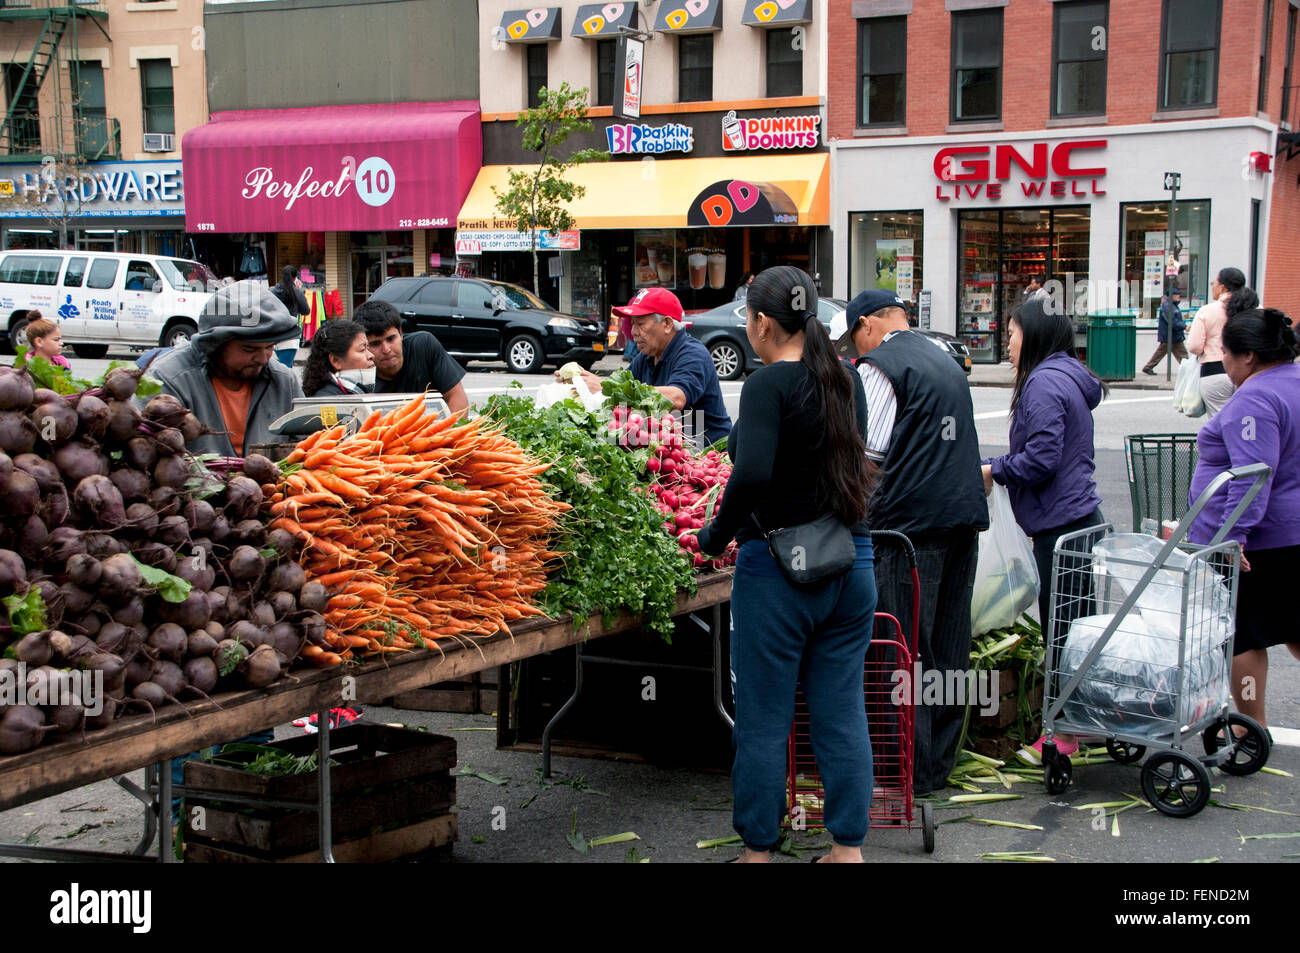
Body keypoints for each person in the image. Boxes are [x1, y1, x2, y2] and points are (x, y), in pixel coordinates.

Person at [696, 266, 876, 863]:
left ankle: (757, 853)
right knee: (842, 709)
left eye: (748, 318)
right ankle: (847, 850)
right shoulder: (844, 379)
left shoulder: (768, 385)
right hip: (852, 562)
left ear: (763, 323)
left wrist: (714, 534)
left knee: (766, 718)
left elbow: (751, 475)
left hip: (778, 570)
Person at [830, 289, 989, 795]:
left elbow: (870, 456)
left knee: (901, 651)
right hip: (961, 523)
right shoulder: (943, 358)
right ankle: (936, 765)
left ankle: (903, 770)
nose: (854, 353)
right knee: (947, 649)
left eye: (853, 340)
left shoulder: (878, 366)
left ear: (867, 326)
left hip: (906, 534)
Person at [979, 299, 1108, 767]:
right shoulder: (1067, 376)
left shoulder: (1043, 383)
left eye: (1010, 335)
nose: (1007, 346)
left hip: (1063, 523)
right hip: (1077, 519)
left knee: (1065, 630)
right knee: (1076, 627)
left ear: (1031, 335)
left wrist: (995, 469)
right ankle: (1080, 722)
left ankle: (1065, 733)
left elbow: (1041, 458)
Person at [1187, 307, 1300, 736]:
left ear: (1248, 356)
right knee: (1294, 623)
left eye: (1227, 356)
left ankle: (1251, 727)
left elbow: (1253, 476)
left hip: (1261, 541)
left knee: (1245, 635)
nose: (1225, 365)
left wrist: (1233, 537)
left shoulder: (1255, 397)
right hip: (1292, 531)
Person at [148, 281, 303, 457]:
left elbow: (308, 446)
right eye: (249, 349)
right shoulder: (168, 379)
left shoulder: (284, 381)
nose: (262, 358)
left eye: (269, 347)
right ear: (216, 345)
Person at [562, 288, 732, 445]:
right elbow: (624, 388)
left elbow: (676, 398)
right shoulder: (646, 357)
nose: (633, 331)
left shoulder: (693, 353)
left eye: (640, 324)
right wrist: (587, 383)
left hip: (707, 452)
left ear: (666, 324)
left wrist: (608, 388)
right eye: (632, 323)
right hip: (669, 448)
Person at [354, 299, 469, 415]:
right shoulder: (357, 369)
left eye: (391, 339)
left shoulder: (424, 345)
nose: (386, 349)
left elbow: (456, 396)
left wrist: (449, 431)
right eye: (375, 344)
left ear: (400, 332)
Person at [1188, 267, 1257, 417]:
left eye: (1214, 282)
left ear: (1222, 287)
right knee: (1248, 420)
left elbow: (1194, 346)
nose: (1212, 286)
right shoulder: (1255, 309)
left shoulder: (1207, 311)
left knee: (1220, 422)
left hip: (1214, 372)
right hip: (1250, 371)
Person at [301, 319, 374, 398]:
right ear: (336, 361)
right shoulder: (327, 400)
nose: (371, 355)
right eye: (362, 350)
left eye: (368, 348)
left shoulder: (357, 391)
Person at [270, 265, 311, 368]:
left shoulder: (273, 291)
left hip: (274, 334)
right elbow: (306, 311)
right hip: (290, 335)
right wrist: (300, 292)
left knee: (279, 368)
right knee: (285, 369)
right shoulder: (296, 292)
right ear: (295, 277)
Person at [1142, 288, 1188, 375]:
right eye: (1176, 295)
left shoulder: (1172, 305)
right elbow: (1172, 321)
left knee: (1161, 353)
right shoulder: (1168, 306)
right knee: (1183, 355)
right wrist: (1184, 326)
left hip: (1172, 335)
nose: (1179, 296)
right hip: (1170, 335)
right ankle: (1189, 370)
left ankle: (1148, 367)